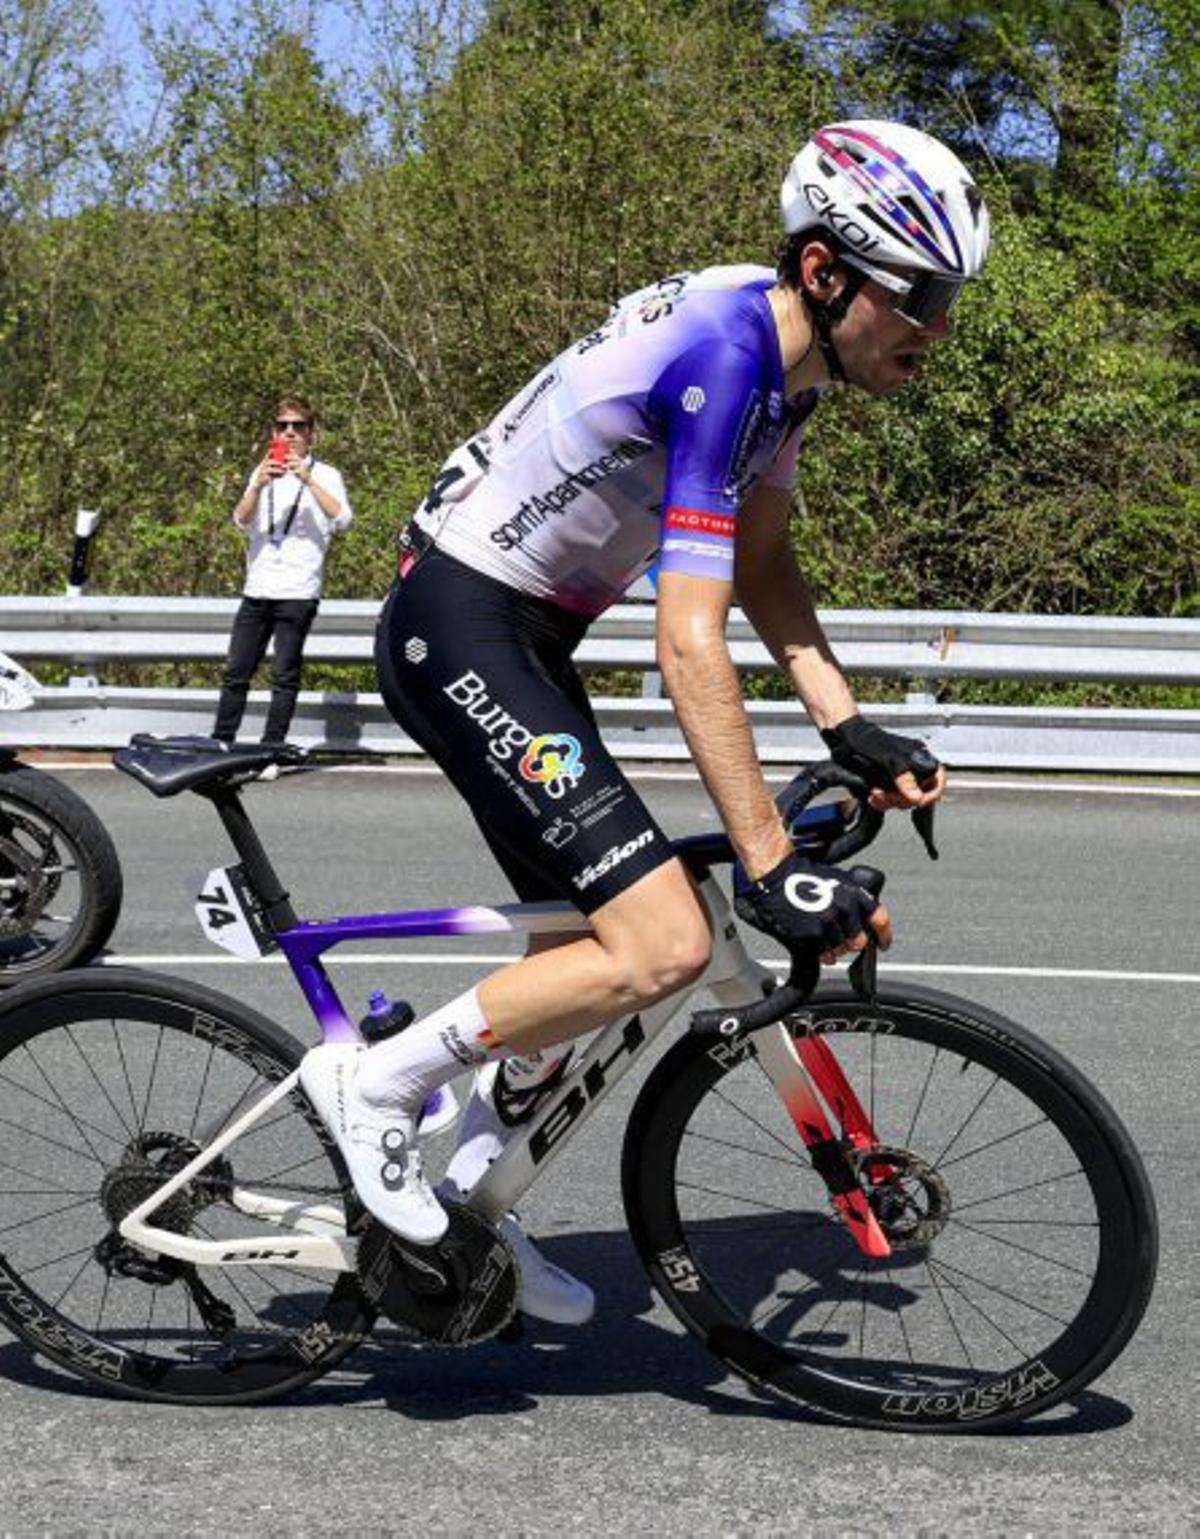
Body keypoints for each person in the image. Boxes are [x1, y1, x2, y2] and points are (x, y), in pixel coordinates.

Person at [301, 120, 989, 1322]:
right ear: (827, 274)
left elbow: (765, 564)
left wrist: (846, 722)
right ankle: (378, 1088)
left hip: (520, 634)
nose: (938, 328)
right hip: (458, 623)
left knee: (586, 963)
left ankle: (463, 1208)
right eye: (919, 296)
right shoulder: (726, 357)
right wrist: (771, 864)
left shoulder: (789, 368)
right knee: (663, 945)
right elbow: (688, 642)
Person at [212, 396, 353, 746]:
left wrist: (308, 480)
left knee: (284, 675)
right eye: (282, 426)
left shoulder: (326, 474)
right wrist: (258, 485)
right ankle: (220, 742)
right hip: (258, 586)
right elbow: (241, 520)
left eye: (298, 426)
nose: (289, 432)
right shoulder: (262, 471)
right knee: (236, 671)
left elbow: (344, 520)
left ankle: (272, 748)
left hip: (298, 589)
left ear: (311, 433)